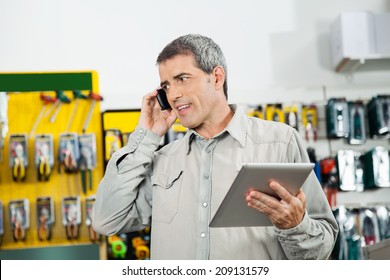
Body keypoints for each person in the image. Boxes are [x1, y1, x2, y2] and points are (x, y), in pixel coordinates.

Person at [92, 34, 339, 260]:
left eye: (182, 79)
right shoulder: (163, 159)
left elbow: (322, 248)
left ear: (217, 77)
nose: (173, 94)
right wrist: (146, 137)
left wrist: (295, 225)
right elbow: (106, 221)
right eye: (166, 86)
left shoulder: (279, 142)